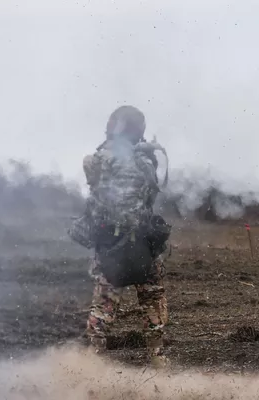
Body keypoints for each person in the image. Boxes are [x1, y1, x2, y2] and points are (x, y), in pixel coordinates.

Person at [69, 105, 171, 367]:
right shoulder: (145, 160)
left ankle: (93, 359)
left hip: (109, 242)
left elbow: (95, 188)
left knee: (104, 304)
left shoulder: (96, 160)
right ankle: (157, 357)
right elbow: (150, 192)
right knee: (152, 298)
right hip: (141, 242)